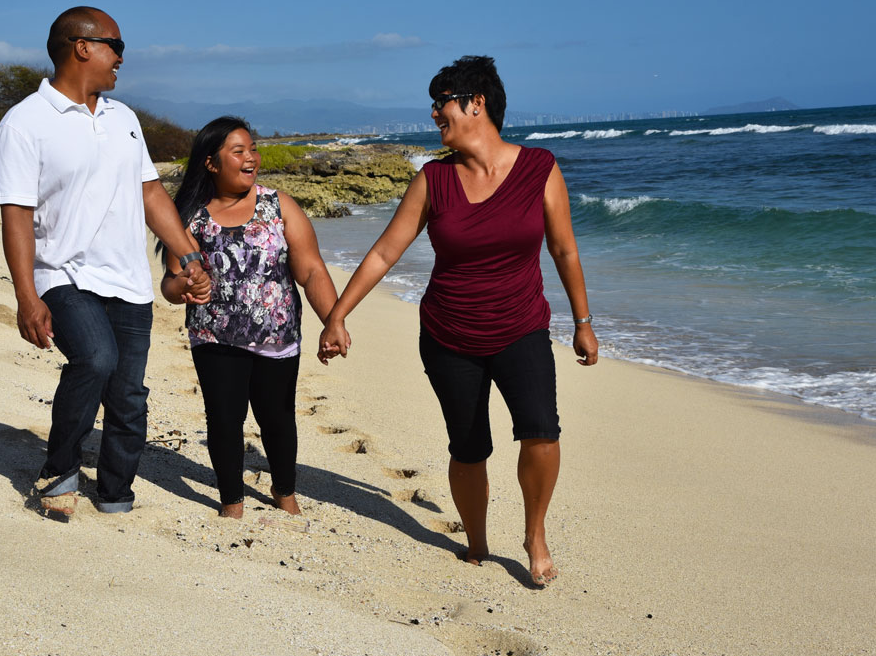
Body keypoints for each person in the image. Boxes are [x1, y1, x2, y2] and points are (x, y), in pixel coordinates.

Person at [318, 56, 598, 585]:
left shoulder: (540, 168)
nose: (433, 114)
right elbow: (383, 253)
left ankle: (534, 535)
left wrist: (583, 320)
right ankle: (476, 539)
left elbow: (564, 250)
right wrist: (337, 316)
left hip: (522, 327)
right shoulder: (434, 179)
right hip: (449, 335)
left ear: (477, 103)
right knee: (469, 448)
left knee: (541, 433)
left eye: (441, 101)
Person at [0, 6, 210, 516]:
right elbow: (17, 216)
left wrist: (189, 256)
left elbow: (151, 192)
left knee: (129, 395)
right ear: (81, 46)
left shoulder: (123, 118)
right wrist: (26, 297)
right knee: (94, 359)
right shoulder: (24, 123)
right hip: (61, 273)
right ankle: (59, 469)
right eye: (116, 45)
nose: (122, 58)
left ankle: (115, 491)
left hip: (128, 278)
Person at [161, 116, 340, 519]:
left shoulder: (279, 205)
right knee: (224, 419)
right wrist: (183, 289)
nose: (251, 158)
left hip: (277, 337)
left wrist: (334, 321)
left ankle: (284, 491)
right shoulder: (190, 215)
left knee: (277, 419)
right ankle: (231, 502)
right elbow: (171, 283)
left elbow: (311, 270)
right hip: (214, 336)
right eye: (238, 151)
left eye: (252, 149)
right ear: (211, 162)